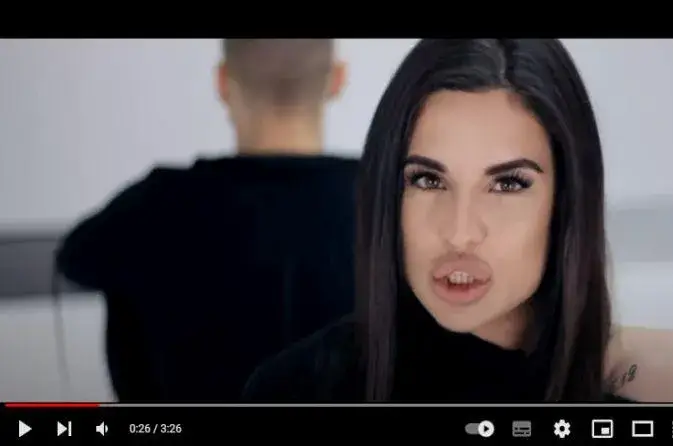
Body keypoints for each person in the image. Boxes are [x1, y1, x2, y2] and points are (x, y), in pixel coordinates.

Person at [242, 39, 670, 402]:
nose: (460, 232)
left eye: (507, 184)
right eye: (428, 180)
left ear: (566, 200)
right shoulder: (296, 390)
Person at [55, 39, 358, 401]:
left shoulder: (155, 206)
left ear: (222, 81)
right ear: (338, 79)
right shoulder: (389, 202)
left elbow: (75, 260)